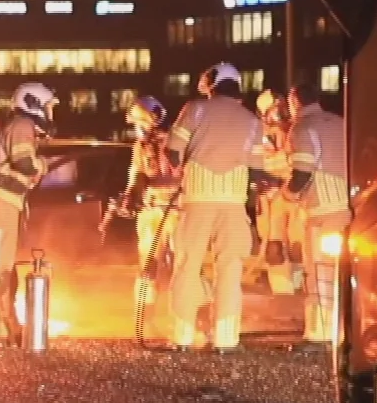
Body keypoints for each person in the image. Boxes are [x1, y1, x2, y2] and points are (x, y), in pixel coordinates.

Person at [165, 63, 269, 352]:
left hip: (197, 200)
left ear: (211, 84)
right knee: (230, 269)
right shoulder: (253, 121)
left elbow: (172, 150)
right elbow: (258, 172)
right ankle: (226, 339)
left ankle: (182, 338)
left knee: (187, 265)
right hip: (234, 204)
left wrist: (178, 170)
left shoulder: (195, 109)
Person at [0, 82, 55, 348]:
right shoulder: (22, 126)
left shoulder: (21, 127)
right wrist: (42, 165)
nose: (52, 113)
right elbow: (23, 163)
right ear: (35, 104)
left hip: (8, 203)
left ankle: (3, 327)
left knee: (4, 268)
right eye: (49, 106)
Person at [286, 83, 351, 345]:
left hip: (321, 212)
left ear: (295, 102)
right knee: (342, 273)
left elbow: (302, 172)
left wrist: (287, 194)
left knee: (319, 274)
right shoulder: (340, 121)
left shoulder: (302, 128)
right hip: (348, 208)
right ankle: (344, 331)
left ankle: (320, 334)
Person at [115, 96, 178, 334]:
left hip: (178, 211)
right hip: (151, 212)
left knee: (186, 266)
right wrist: (130, 196)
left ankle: (191, 319)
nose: (136, 130)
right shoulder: (141, 147)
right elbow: (137, 175)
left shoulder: (178, 141)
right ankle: (145, 319)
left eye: (137, 124)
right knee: (148, 266)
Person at [252, 90, 303, 296]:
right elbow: (265, 163)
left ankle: (299, 287)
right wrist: (288, 160)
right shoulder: (261, 135)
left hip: (298, 196)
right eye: (275, 109)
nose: (280, 113)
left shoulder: (298, 129)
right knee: (275, 247)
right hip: (273, 198)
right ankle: (282, 292)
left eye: (282, 108)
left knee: (299, 246)